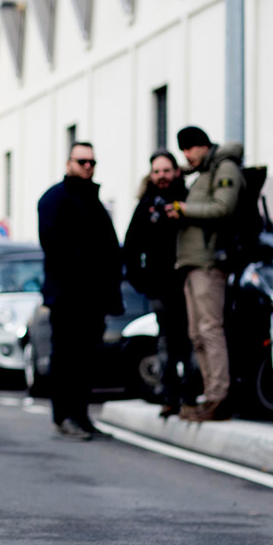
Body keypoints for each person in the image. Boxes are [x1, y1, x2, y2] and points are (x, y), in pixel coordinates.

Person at [37, 142, 124, 440]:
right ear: (68, 163)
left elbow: (109, 249)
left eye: (92, 162)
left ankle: (81, 416)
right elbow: (55, 246)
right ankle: (64, 417)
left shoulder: (94, 201)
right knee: (66, 357)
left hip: (93, 299)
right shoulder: (54, 199)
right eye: (82, 161)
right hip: (67, 297)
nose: (88, 166)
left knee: (87, 359)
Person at [165, 125, 245, 422]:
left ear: (201, 145)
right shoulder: (202, 173)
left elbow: (224, 207)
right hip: (192, 262)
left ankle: (219, 397)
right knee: (197, 333)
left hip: (209, 262)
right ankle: (210, 395)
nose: (186, 155)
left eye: (189, 149)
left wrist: (184, 209)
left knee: (210, 330)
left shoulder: (225, 168)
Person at [123, 151, 193, 418]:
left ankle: (191, 396)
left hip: (188, 285)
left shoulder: (188, 199)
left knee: (190, 342)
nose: (161, 176)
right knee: (166, 342)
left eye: (166, 170)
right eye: (157, 171)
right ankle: (170, 397)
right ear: (151, 175)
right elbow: (131, 247)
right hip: (160, 289)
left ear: (175, 171)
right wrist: (141, 281)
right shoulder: (146, 205)